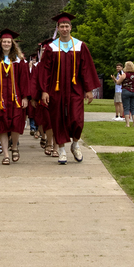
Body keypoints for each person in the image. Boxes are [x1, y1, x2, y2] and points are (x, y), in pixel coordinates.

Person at [38, 11, 99, 165]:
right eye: (61, 26)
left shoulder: (80, 46)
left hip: (75, 89)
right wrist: (44, 90)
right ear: (57, 28)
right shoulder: (51, 47)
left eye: (67, 26)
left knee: (77, 119)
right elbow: (44, 70)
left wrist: (89, 90)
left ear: (71, 27)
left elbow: (86, 68)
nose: (64, 29)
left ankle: (75, 144)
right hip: (56, 90)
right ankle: (62, 150)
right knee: (58, 119)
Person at [0, 28, 31, 164]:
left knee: (16, 125)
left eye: (8, 42)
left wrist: (25, 97)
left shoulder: (19, 60)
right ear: (0, 44)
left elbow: (24, 79)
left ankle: (14, 147)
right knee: (2, 126)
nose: (6, 44)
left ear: (12, 43)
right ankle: (6, 155)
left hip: (15, 99)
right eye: (4, 41)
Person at [121, 61, 134, 127]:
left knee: (126, 108)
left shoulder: (125, 74)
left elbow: (119, 82)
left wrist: (115, 79)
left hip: (126, 91)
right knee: (133, 108)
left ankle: (127, 124)